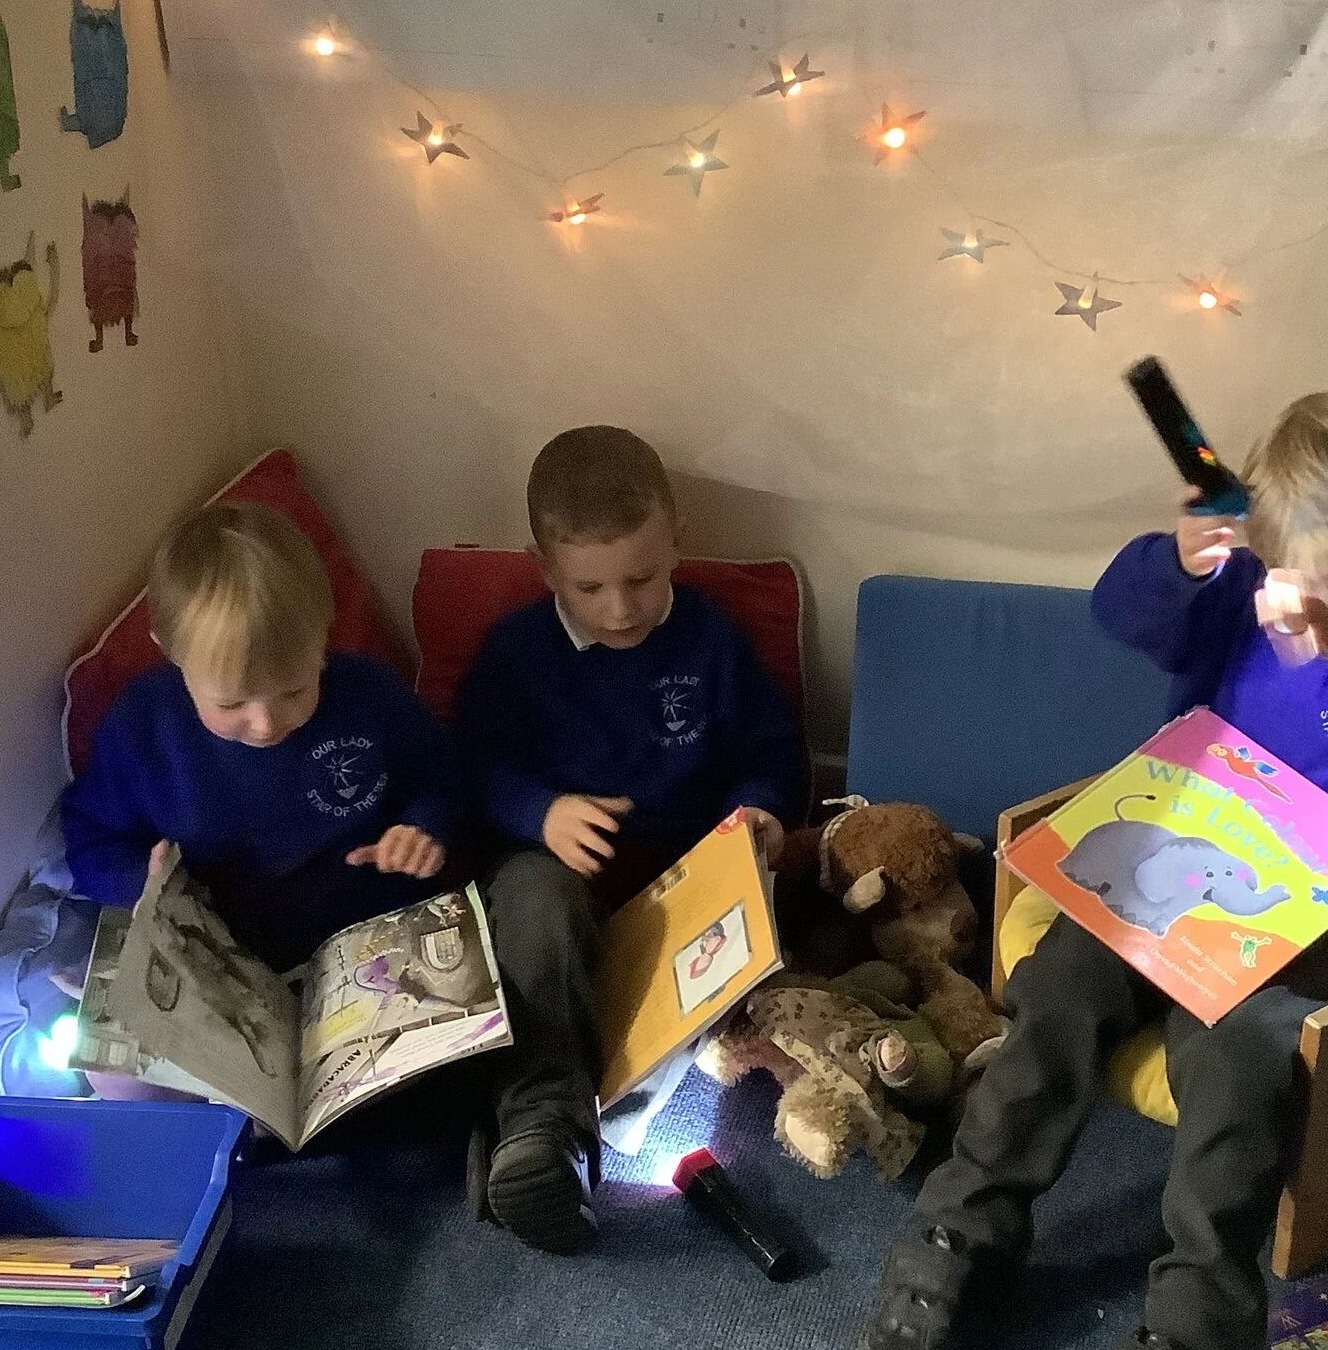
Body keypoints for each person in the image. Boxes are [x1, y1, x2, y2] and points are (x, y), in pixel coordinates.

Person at [855, 387, 1328, 1350]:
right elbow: (1123, 610)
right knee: (1057, 992)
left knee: (1236, 1068)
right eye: (1297, 571)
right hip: (1168, 864)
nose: (1312, 603)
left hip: (1310, 914)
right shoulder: (1237, 593)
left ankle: (1196, 1337)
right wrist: (1182, 554)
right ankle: (965, 1231)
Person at [457, 425, 805, 1255]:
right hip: (560, 874)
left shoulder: (711, 639)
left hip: (686, 878)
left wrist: (761, 810)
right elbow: (468, 766)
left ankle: (548, 1122)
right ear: (544, 567)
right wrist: (542, 810)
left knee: (800, 919)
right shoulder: (516, 651)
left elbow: (771, 754)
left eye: (642, 578)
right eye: (589, 586)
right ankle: (545, 1133)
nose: (620, 609)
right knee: (533, 910)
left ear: (676, 538)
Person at [60, 501, 461, 975]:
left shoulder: (369, 693)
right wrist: (138, 881)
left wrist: (423, 827)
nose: (267, 724)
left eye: (294, 691)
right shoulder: (143, 729)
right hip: (232, 960)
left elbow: (444, 773)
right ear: (172, 653)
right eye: (231, 704)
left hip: (377, 931)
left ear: (323, 638)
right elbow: (88, 840)